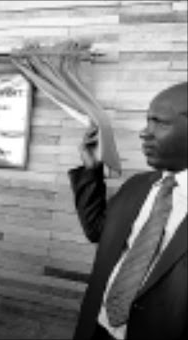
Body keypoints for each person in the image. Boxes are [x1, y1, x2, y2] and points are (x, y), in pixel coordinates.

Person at [69, 82, 187, 340]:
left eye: (160, 123)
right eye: (147, 121)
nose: (145, 133)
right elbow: (97, 231)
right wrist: (91, 170)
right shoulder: (138, 186)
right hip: (100, 327)